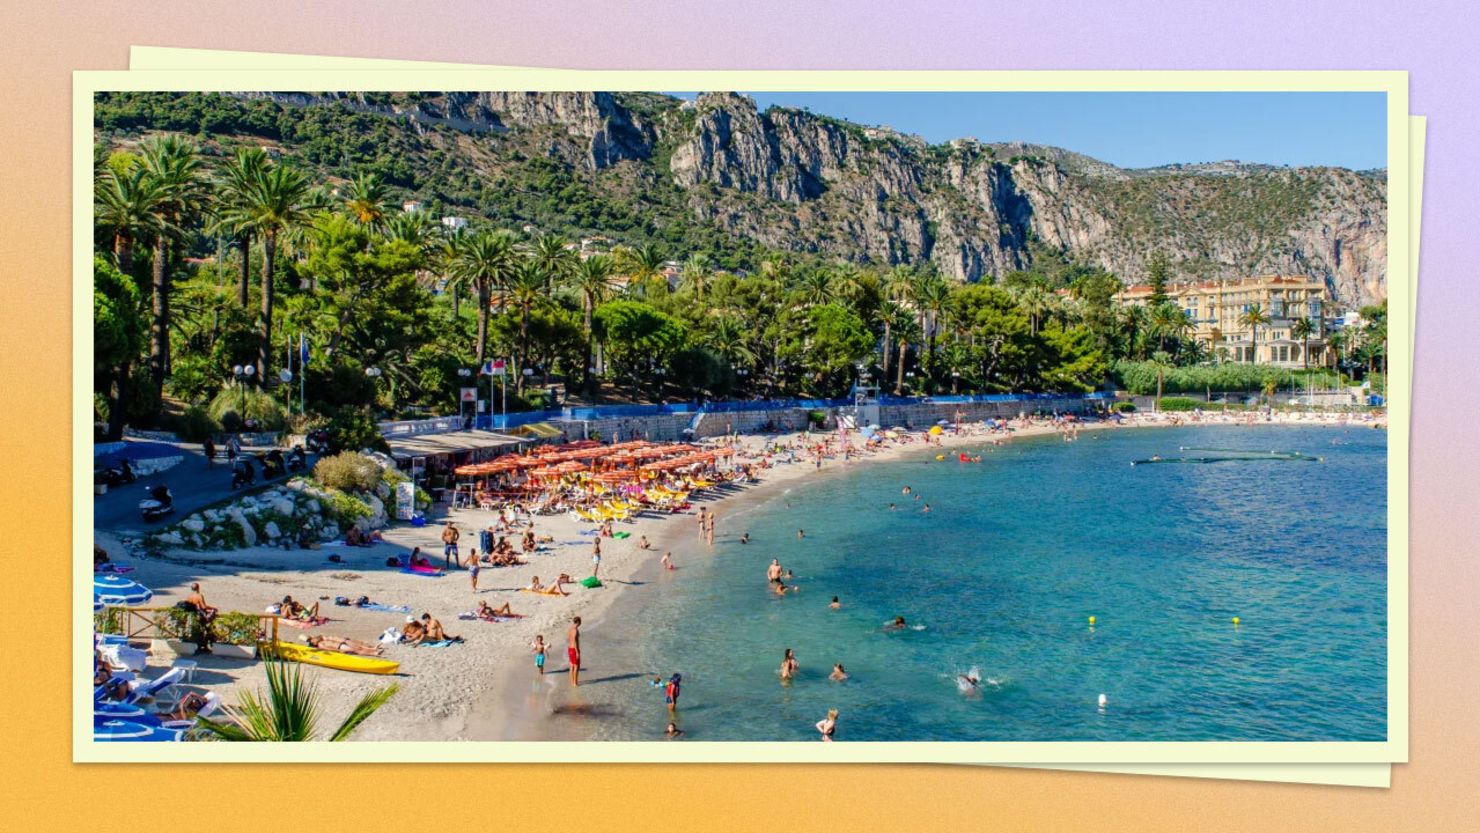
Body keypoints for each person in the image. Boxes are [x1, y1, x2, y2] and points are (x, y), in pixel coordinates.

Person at [305, 634, 383, 656]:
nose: (313, 639)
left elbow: (321, 636)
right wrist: (339, 651)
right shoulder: (320, 644)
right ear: (312, 643)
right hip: (340, 646)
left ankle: (373, 648)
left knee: (358, 646)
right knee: (357, 650)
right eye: (311, 640)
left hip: (341, 643)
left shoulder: (321, 638)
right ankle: (374, 653)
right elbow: (329, 649)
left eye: (311, 638)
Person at [567, 616, 582, 686]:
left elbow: (569, 639)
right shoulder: (575, 630)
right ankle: (575, 683)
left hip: (570, 648)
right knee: (576, 666)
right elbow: (575, 641)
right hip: (574, 649)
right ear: (578, 622)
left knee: (571, 666)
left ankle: (572, 682)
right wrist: (577, 652)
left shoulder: (570, 629)